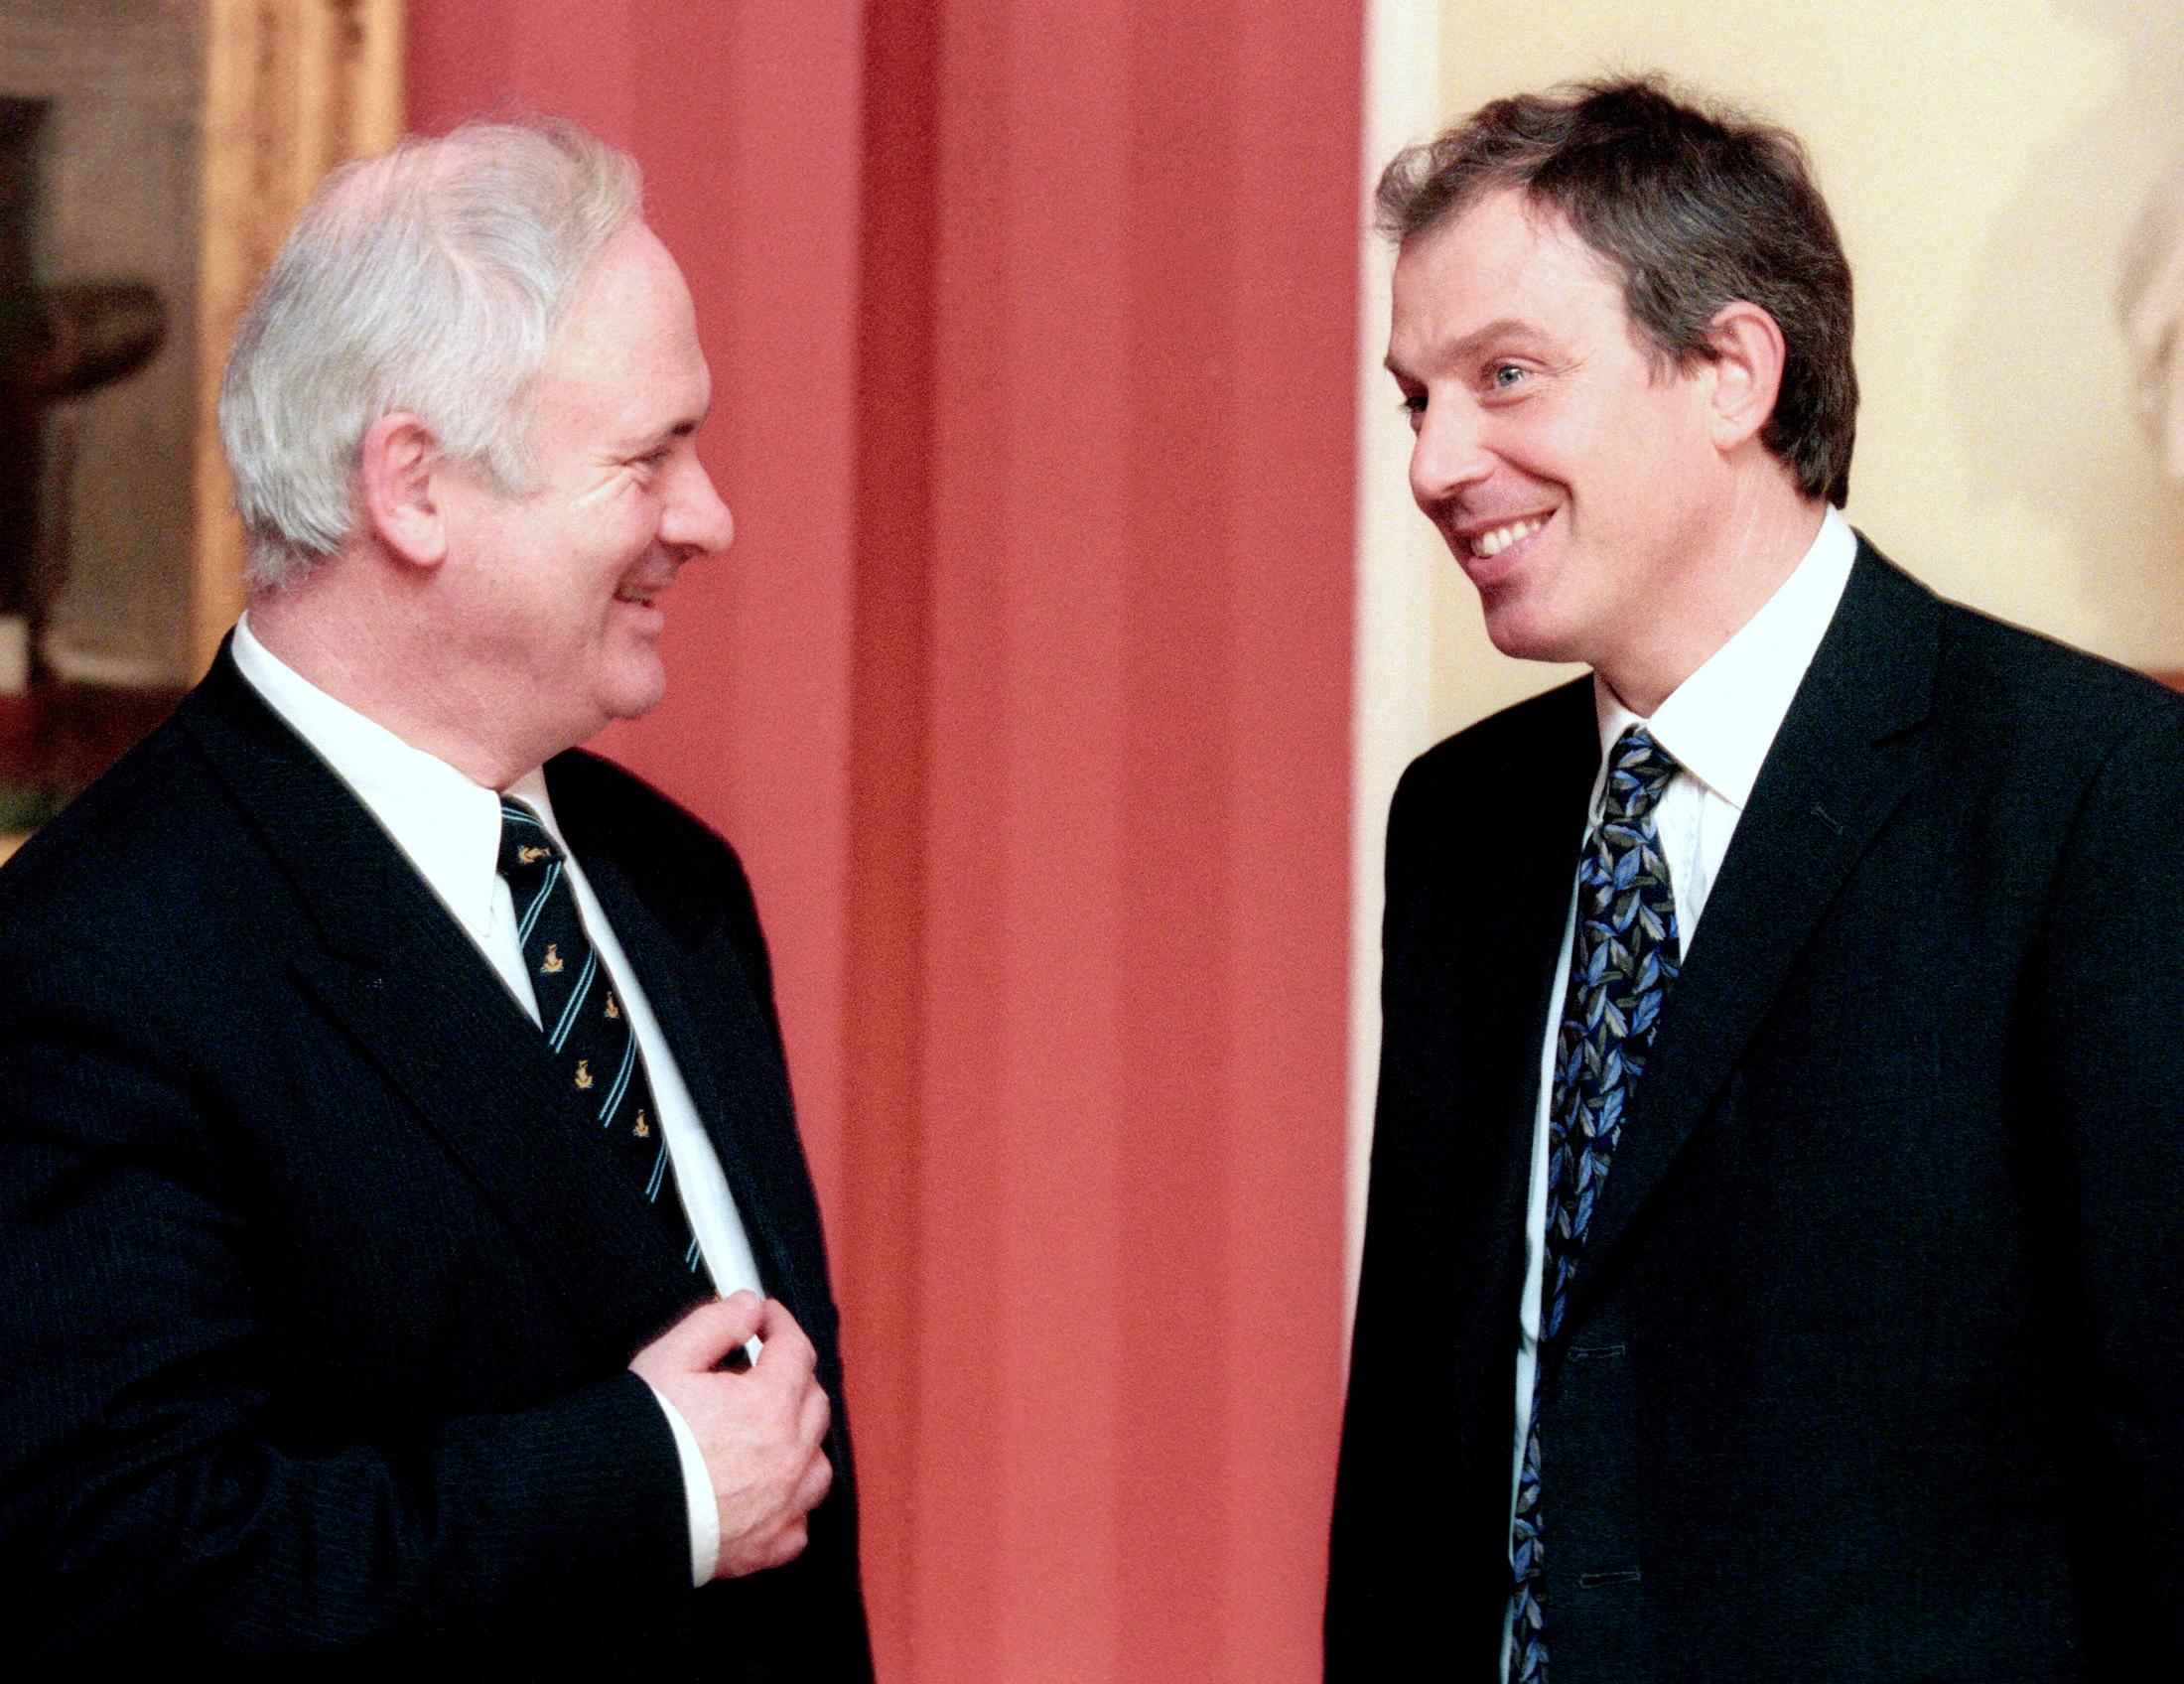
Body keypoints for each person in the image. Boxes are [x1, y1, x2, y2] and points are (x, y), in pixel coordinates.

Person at [1326, 76, 2184, 1683]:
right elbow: (1417, 1443)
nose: (1440, 463)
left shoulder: (2094, 795)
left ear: (1730, 369)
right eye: (1415, 399)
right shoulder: (1459, 823)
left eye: (1504, 377)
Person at [0, 118, 872, 1678]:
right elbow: (125, 1573)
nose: (709, 517)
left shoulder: (675, 886)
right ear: (412, 486)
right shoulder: (93, 956)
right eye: (650, 456)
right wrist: (651, 1485)